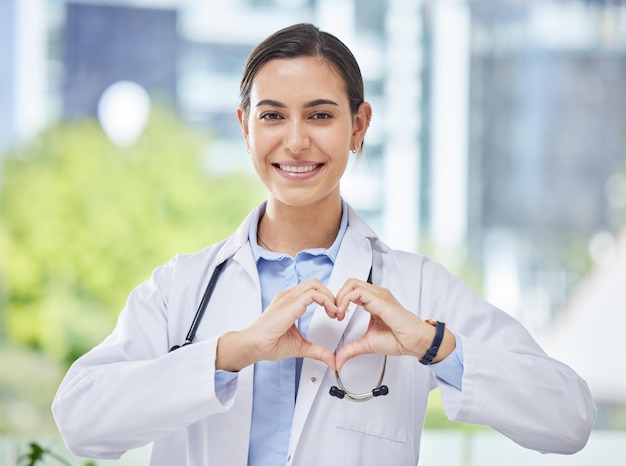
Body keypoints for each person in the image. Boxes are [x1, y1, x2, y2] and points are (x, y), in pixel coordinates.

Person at [52, 23, 596, 466]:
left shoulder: (418, 288)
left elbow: (568, 419)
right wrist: (231, 353)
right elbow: (81, 422)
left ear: (359, 127)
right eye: (272, 116)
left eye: (320, 115)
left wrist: (433, 345)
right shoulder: (181, 288)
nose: (295, 140)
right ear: (245, 127)